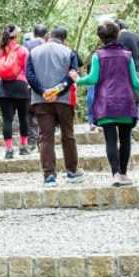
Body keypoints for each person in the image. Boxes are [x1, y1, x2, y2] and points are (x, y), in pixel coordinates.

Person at [71, 20, 139, 186]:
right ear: (118, 34)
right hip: (126, 103)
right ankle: (124, 174)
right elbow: (134, 82)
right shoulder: (127, 56)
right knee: (125, 139)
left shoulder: (98, 56)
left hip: (106, 105)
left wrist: (78, 79)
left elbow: (93, 79)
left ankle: (115, 175)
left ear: (100, 38)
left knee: (111, 140)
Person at [25, 27, 84, 187]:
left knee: (45, 137)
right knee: (68, 135)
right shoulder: (69, 52)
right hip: (64, 100)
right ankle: (72, 171)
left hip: (41, 100)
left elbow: (29, 75)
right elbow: (73, 75)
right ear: (64, 38)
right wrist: (58, 90)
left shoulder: (34, 52)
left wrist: (43, 92)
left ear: (48, 36)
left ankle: (49, 175)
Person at [0, 24, 31, 159]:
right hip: (21, 87)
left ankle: (8, 149)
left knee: (7, 119)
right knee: (23, 118)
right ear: (16, 36)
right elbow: (28, 70)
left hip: (3, 88)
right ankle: (23, 147)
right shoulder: (23, 50)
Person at [116, 19, 139, 122]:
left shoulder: (117, 39)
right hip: (137, 70)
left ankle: (127, 120)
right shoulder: (137, 37)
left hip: (122, 72)